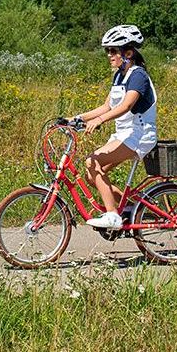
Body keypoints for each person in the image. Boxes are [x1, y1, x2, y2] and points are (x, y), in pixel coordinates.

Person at [66, 25, 158, 230]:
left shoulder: (138, 76)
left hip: (140, 134)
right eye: (108, 51)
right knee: (92, 175)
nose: (109, 55)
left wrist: (100, 121)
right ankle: (136, 208)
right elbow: (107, 106)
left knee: (92, 161)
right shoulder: (119, 75)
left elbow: (126, 106)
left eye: (113, 51)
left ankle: (112, 215)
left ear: (128, 53)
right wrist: (74, 118)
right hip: (124, 134)